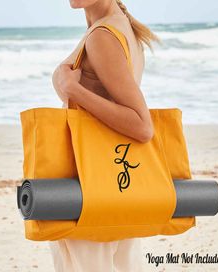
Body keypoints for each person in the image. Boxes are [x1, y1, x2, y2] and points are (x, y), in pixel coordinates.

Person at [49, 0, 159, 271]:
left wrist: (75, 91)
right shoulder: (118, 24)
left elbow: (142, 126)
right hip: (116, 180)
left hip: (88, 187)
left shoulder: (102, 36)